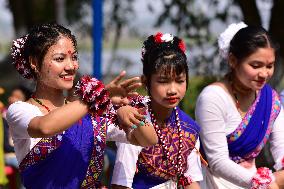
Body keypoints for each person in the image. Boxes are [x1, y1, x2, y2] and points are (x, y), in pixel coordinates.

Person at [6, 23, 158, 189]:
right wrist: (99, 95)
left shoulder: (89, 114)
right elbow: (45, 127)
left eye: (74, 57)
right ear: (35, 62)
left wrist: (130, 113)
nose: (71, 66)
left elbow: (148, 139)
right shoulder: (20, 110)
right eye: (59, 59)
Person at [195, 22, 284, 189]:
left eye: (270, 66)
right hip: (215, 182)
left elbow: (281, 148)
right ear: (233, 61)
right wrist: (262, 183)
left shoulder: (270, 99)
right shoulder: (212, 98)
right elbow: (218, 161)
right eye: (255, 65)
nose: (264, 74)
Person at [111, 32, 204, 189]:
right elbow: (121, 184)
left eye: (180, 81)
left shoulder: (188, 127)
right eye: (163, 81)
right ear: (146, 81)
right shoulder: (134, 119)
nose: (172, 90)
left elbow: (190, 179)